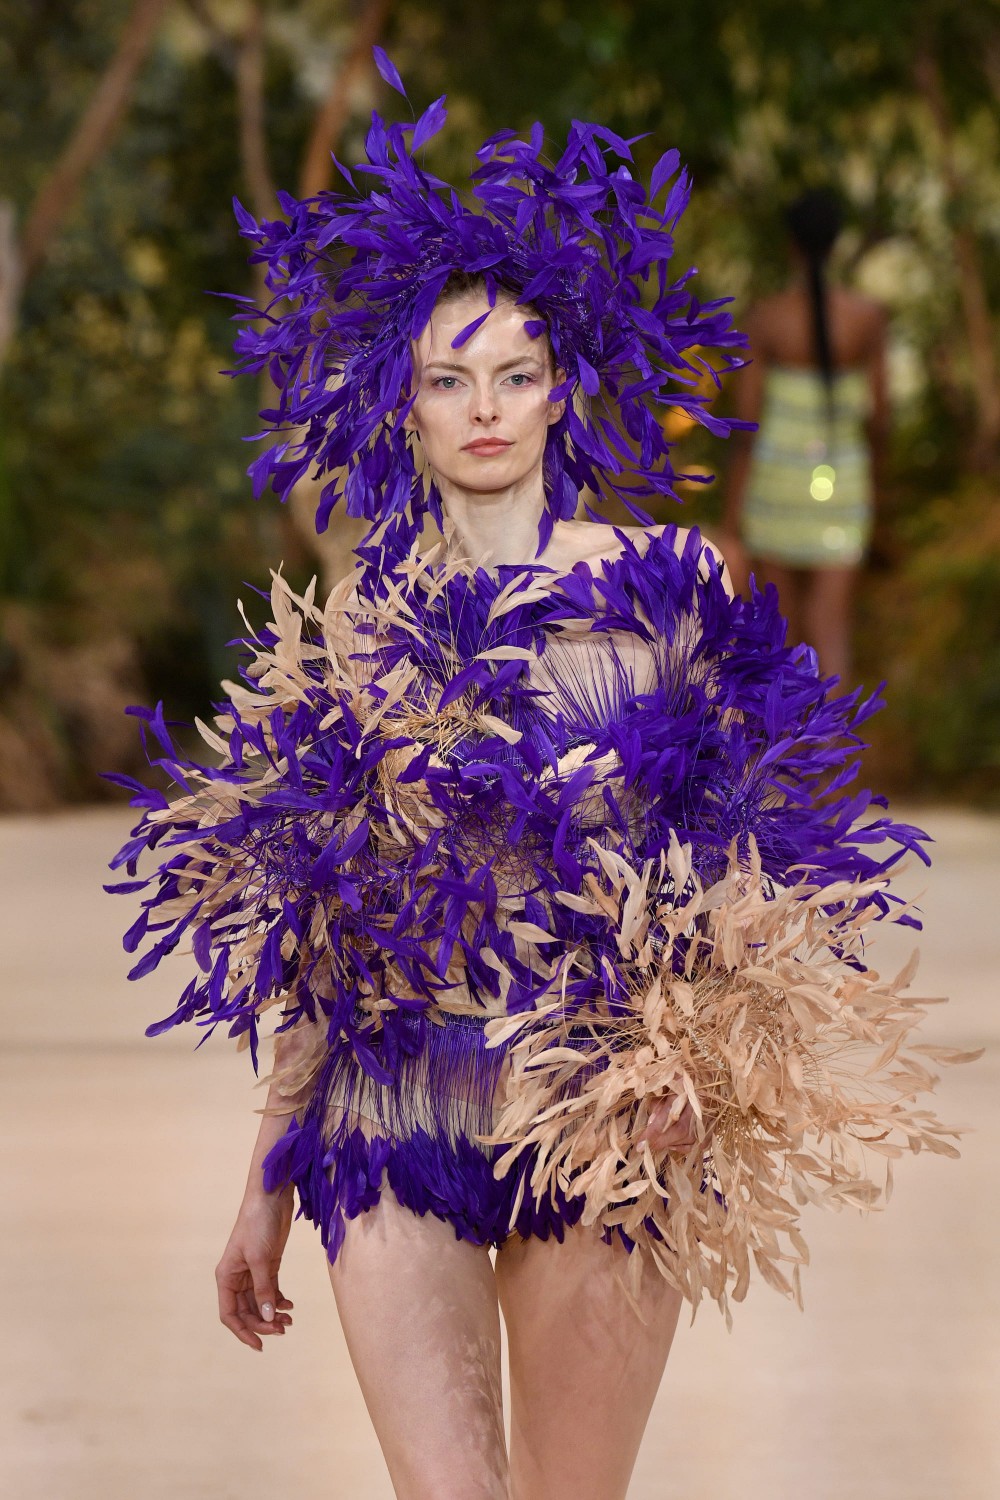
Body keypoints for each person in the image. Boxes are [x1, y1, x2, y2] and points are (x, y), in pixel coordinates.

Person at [111, 70, 962, 1500]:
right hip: (397, 1105)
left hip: (603, 1109)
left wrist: (699, 1061)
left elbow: (745, 856)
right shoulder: (366, 621)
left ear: (561, 386)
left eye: (514, 373)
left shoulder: (669, 587)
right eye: (448, 380)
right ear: (406, 407)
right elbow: (327, 926)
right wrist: (263, 1184)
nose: (485, 408)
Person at [721, 188, 889, 684]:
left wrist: (731, 519)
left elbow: (746, 426)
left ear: (791, 244)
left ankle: (786, 735)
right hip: (843, 485)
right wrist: (879, 492)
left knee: (784, 633)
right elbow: (880, 420)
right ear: (836, 243)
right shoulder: (867, 317)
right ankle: (836, 735)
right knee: (831, 628)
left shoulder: (766, 318)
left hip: (776, 488)